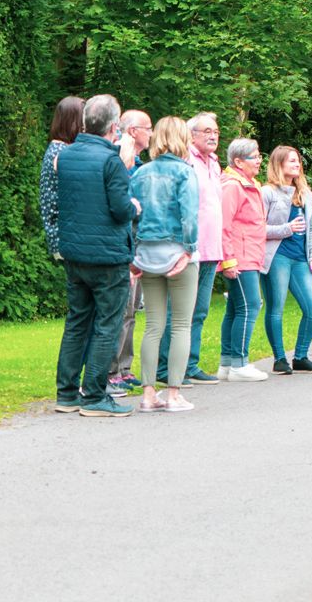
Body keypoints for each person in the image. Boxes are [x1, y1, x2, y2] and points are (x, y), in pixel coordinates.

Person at [52, 95, 138, 417]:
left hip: (75, 254)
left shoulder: (67, 154)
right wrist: (134, 208)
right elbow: (119, 209)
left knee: (77, 321)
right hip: (107, 257)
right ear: (114, 127)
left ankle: (67, 393)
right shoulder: (111, 161)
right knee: (108, 324)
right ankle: (95, 396)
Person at [128, 116, 199, 413]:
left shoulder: (140, 173)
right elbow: (190, 217)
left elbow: (129, 216)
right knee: (181, 325)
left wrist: (133, 256)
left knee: (153, 326)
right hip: (176, 253)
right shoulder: (185, 173)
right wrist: (189, 251)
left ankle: (147, 395)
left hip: (146, 254)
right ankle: (173, 395)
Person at [155, 112, 225, 385]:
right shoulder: (186, 161)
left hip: (211, 249)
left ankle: (189, 365)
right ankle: (165, 368)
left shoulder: (215, 164)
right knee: (177, 312)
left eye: (216, 131)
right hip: (187, 249)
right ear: (191, 134)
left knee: (200, 310)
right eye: (206, 130)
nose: (213, 135)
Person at [261, 146, 312, 375]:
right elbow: (257, 228)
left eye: (298, 161)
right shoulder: (267, 192)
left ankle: (300, 356)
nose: (297, 165)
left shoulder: (306, 194)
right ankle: (279, 359)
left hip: (301, 259)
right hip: (277, 257)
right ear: (279, 164)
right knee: (275, 308)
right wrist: (286, 229)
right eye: (291, 161)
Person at [107, 110, 153, 397]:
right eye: (148, 127)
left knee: (132, 311)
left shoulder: (137, 163)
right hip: (124, 246)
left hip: (138, 245)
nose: (151, 133)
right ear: (133, 131)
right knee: (121, 310)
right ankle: (111, 371)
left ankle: (125, 366)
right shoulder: (120, 163)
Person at [216, 138, 270, 381]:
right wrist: (229, 260)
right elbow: (223, 225)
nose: (259, 160)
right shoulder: (232, 186)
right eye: (254, 157)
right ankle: (240, 364)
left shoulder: (248, 184)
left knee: (236, 308)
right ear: (238, 161)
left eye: (259, 155)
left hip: (249, 255)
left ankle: (227, 364)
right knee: (250, 305)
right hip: (240, 257)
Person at [38, 96, 85, 260]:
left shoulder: (57, 148)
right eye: (83, 120)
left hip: (61, 234)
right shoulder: (62, 152)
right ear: (73, 121)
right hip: (65, 236)